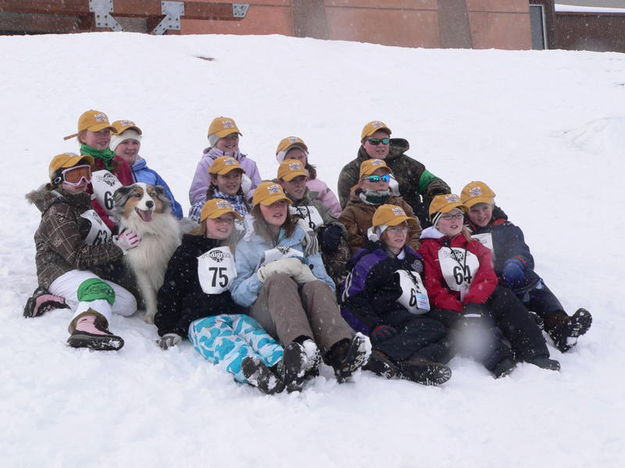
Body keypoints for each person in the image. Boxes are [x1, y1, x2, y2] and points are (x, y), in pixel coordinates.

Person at [230, 181, 370, 391]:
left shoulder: (302, 235)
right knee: (279, 279)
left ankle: (340, 351)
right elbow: (238, 296)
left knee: (317, 287)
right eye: (271, 205)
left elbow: (326, 284)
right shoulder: (246, 243)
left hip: (304, 308)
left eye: (281, 204)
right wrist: (261, 275)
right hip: (268, 313)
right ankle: (301, 346)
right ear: (258, 209)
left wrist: (308, 276)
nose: (278, 209)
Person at [155, 199, 288, 394]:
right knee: (225, 343)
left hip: (235, 313)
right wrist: (169, 327)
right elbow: (171, 290)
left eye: (228, 220)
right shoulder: (188, 250)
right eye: (218, 219)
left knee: (257, 336)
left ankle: (282, 362)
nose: (224, 224)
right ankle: (250, 368)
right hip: (201, 318)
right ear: (205, 221)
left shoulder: (237, 248)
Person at [419, 194, 560, 377]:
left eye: (458, 215)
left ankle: (535, 353)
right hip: (450, 306)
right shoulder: (426, 248)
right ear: (437, 221)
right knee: (464, 324)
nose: (454, 221)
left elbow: (487, 275)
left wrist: (474, 303)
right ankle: (499, 359)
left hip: (476, 300)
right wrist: (460, 307)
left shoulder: (473, 243)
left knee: (503, 296)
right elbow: (431, 286)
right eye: (448, 216)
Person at [25, 153, 140, 350]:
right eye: (74, 175)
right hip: (57, 269)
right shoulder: (58, 210)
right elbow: (77, 256)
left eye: (86, 174)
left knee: (128, 304)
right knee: (98, 290)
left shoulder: (81, 202)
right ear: (59, 180)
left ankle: (55, 300)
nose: (82, 181)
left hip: (82, 271)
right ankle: (85, 327)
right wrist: (118, 246)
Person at [460, 181, 592, 352]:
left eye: (485, 208)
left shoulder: (506, 228)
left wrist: (516, 261)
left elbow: (522, 251)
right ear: (465, 211)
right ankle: (529, 319)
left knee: (533, 281)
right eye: (475, 211)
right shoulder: (462, 232)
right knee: (504, 300)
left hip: (509, 277)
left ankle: (559, 325)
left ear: (492, 205)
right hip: (484, 285)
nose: (481, 214)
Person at [340, 204, 452, 385]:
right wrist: (373, 326)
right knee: (432, 327)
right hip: (383, 318)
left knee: (451, 333)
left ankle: (417, 362)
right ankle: (381, 354)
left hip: (411, 315)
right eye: (393, 229)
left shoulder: (414, 260)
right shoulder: (369, 260)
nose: (400, 234)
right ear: (380, 232)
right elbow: (350, 300)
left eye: (403, 228)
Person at [337, 120, 450, 227]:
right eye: (374, 141)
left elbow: (434, 182)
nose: (380, 145)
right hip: (372, 226)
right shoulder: (350, 172)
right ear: (363, 143)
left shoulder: (406, 163)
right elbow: (348, 208)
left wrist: (431, 205)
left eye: (385, 140)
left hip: (412, 220)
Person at [277, 158, 350, 285]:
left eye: (302, 179)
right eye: (293, 180)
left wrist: (333, 229)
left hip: (326, 263)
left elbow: (336, 222)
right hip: (296, 262)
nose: (299, 184)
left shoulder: (316, 204)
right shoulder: (278, 208)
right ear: (282, 183)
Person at [64, 109, 134, 231]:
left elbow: (133, 195)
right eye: (97, 133)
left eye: (106, 132)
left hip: (129, 227)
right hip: (98, 231)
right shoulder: (78, 168)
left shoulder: (120, 163)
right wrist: (116, 229)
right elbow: (89, 206)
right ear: (83, 137)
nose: (103, 137)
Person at [339, 158, 422, 254]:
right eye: (374, 179)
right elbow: (353, 244)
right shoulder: (351, 212)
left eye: (385, 178)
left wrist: (408, 253)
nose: (381, 182)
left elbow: (416, 232)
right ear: (362, 183)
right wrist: (380, 256)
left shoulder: (400, 204)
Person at [109, 119, 184, 220]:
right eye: (125, 142)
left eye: (135, 142)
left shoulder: (150, 175)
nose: (131, 147)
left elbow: (172, 206)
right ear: (113, 145)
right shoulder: (108, 173)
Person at [188, 117, 261, 219]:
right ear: (214, 140)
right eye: (225, 137)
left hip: (245, 213)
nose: (230, 141)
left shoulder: (249, 164)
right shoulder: (207, 163)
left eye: (234, 136)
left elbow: (257, 192)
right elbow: (197, 195)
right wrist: (221, 204)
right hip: (217, 216)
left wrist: (246, 197)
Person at [275, 136, 341, 217]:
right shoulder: (275, 187)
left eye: (301, 157)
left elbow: (336, 212)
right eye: (292, 158)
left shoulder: (320, 186)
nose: (297, 161)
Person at [188, 156, 250, 224]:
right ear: (214, 180)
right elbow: (193, 233)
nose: (232, 181)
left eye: (236, 176)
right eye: (226, 176)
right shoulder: (201, 208)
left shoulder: (247, 206)